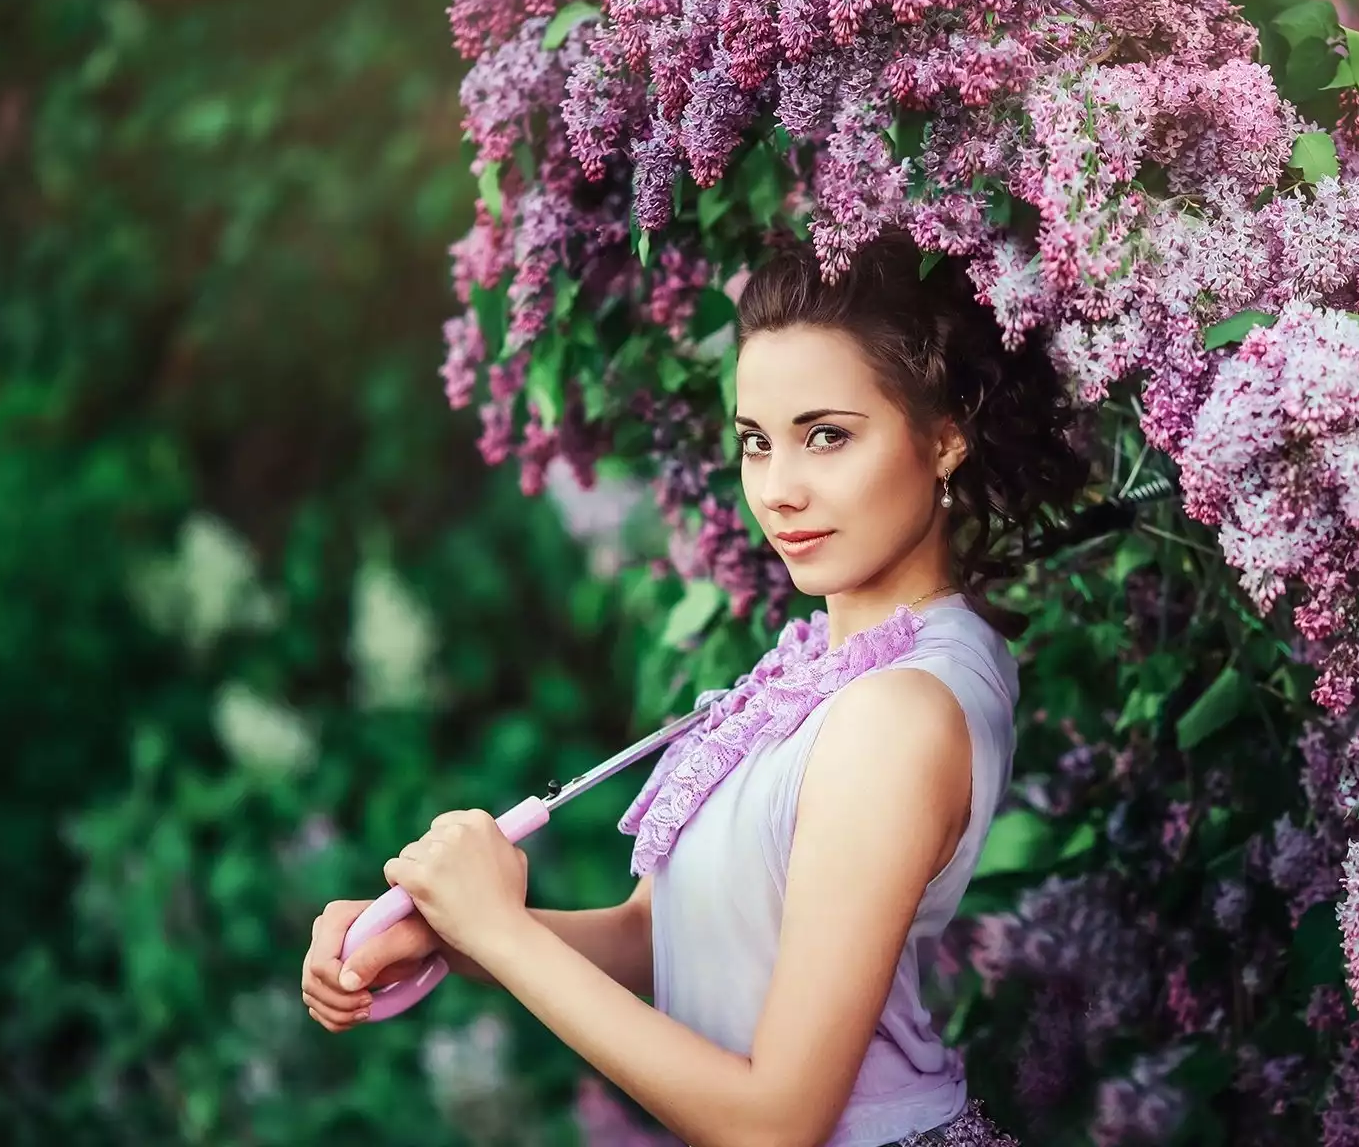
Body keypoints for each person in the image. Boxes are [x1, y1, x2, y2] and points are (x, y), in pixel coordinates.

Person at [301, 228, 1090, 1146]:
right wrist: (451, 929)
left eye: (826, 437)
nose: (780, 489)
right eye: (757, 442)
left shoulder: (901, 711)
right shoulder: (821, 669)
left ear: (945, 437)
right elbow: (663, 938)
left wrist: (504, 934)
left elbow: (777, 1123)